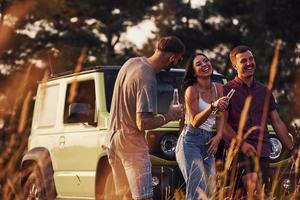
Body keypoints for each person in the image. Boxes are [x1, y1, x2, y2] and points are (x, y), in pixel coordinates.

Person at [106, 36, 185, 200]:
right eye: (178, 59)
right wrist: (170, 115)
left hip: (112, 139)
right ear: (172, 58)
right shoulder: (148, 77)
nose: (177, 62)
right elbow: (143, 123)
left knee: (124, 196)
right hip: (131, 143)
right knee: (144, 197)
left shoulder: (131, 63)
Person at [223, 45, 295, 196]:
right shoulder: (226, 90)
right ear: (235, 65)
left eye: (251, 59)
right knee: (256, 193)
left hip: (263, 152)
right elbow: (222, 125)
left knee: (254, 194)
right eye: (244, 61)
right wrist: (242, 144)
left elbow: (276, 121)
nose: (249, 63)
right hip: (240, 153)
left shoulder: (264, 91)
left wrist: (292, 149)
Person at [175, 52, 229, 199]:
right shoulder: (191, 90)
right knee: (198, 190)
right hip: (190, 141)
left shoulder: (219, 88)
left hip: (208, 142)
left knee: (210, 192)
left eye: (206, 61)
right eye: (199, 64)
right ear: (193, 72)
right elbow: (194, 121)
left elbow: (221, 114)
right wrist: (212, 106)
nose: (205, 65)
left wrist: (218, 136)